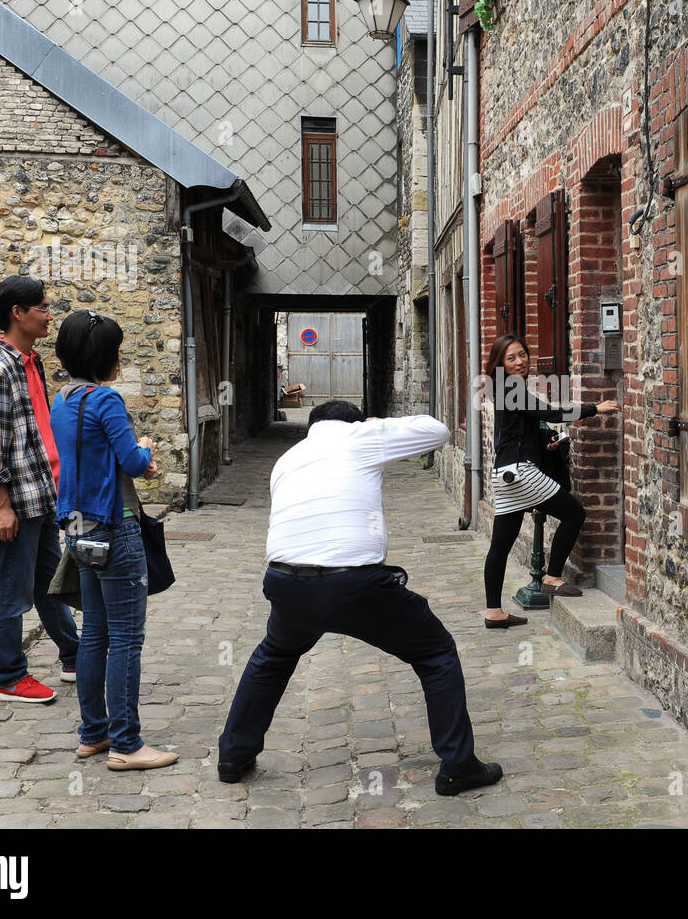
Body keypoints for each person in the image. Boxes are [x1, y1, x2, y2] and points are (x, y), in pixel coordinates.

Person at [218, 401, 502, 796]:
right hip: (353, 584)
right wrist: (377, 424)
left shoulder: (288, 458)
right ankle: (458, 765)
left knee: (273, 656)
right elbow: (437, 431)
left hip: (285, 582)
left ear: (312, 426)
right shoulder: (360, 436)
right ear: (356, 422)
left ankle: (233, 754)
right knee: (436, 653)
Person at [49, 309, 177, 771]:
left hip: (77, 525)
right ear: (106, 357)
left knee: (96, 634)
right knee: (126, 637)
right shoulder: (106, 401)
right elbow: (133, 461)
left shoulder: (60, 401)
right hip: (115, 524)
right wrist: (147, 451)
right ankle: (127, 743)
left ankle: (93, 733)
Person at [0, 276, 79, 704]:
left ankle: (73, 655)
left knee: (51, 582)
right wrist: (1, 505)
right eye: (43, 308)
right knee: (12, 589)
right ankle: (9, 676)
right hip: (16, 501)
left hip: (42, 494)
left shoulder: (30, 362)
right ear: (19, 313)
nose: (49, 316)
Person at [482, 333, 619, 628]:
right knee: (574, 513)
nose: (520, 361)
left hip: (504, 475)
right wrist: (595, 409)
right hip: (520, 474)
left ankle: (493, 611)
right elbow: (552, 412)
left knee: (500, 546)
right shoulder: (510, 388)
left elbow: (518, 432)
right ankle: (553, 578)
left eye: (522, 354)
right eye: (511, 358)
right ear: (500, 364)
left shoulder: (504, 390)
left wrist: (547, 441)